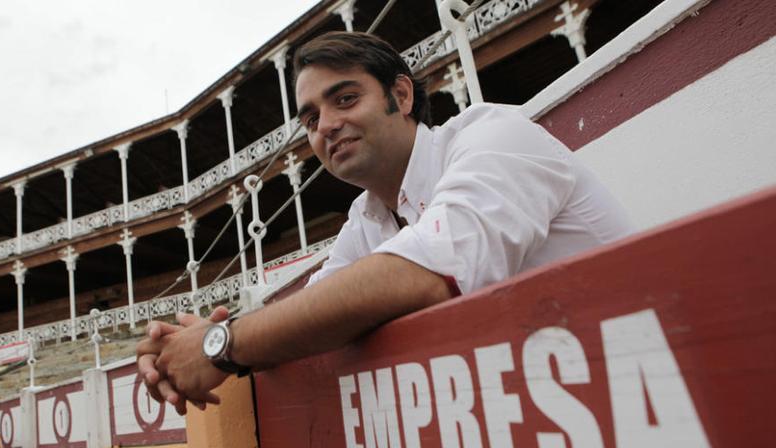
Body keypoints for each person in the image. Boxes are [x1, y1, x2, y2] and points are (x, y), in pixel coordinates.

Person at [136, 32, 634, 414]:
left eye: (345, 99)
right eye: (310, 120)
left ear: (401, 95)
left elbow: (427, 274)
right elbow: (316, 310)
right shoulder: (367, 217)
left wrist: (220, 344)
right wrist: (188, 347)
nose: (326, 125)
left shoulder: (495, 136)